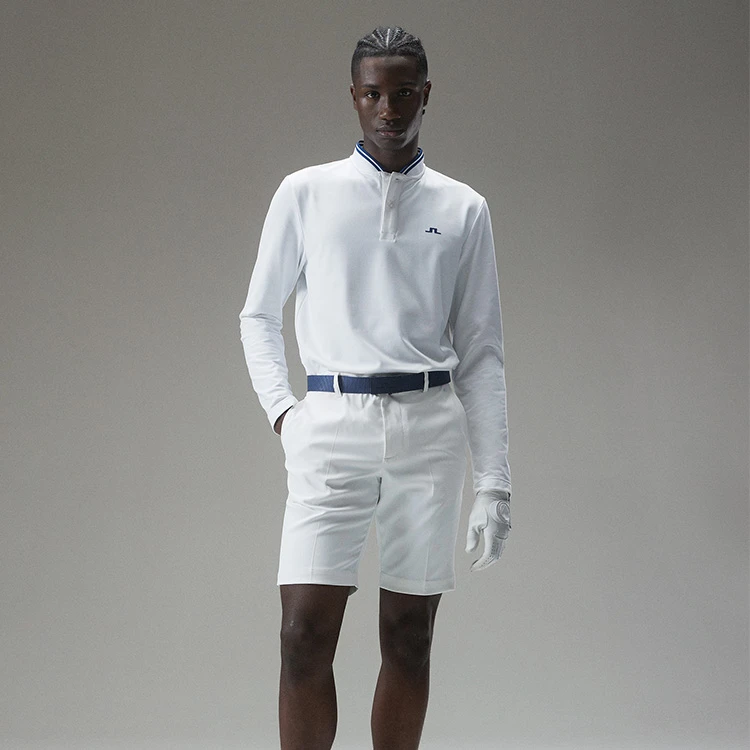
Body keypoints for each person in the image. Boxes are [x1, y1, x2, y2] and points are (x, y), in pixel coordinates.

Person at [238, 26, 512, 750]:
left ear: (426, 95)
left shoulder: (464, 209)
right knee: (302, 634)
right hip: (331, 424)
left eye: (403, 93)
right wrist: (284, 414)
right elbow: (258, 314)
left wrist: (494, 483)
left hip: (429, 429)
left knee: (409, 637)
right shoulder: (306, 193)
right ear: (354, 97)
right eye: (373, 93)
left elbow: (482, 352)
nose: (388, 109)